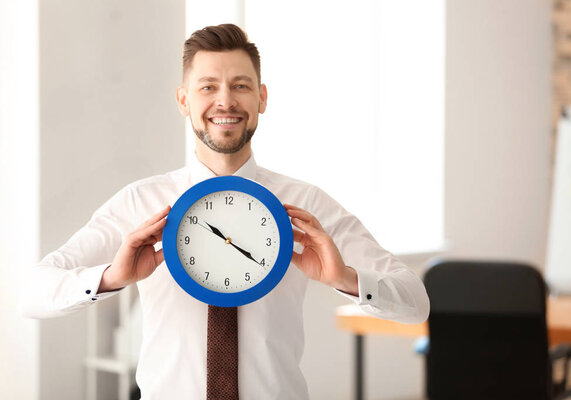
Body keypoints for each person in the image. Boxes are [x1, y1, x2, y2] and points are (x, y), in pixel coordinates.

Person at [20, 24, 429, 399]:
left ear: (261, 97)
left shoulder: (307, 206)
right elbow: (32, 294)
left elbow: (416, 304)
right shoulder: (140, 203)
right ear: (183, 100)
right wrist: (110, 278)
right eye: (208, 87)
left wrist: (347, 279)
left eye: (240, 85)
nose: (225, 101)